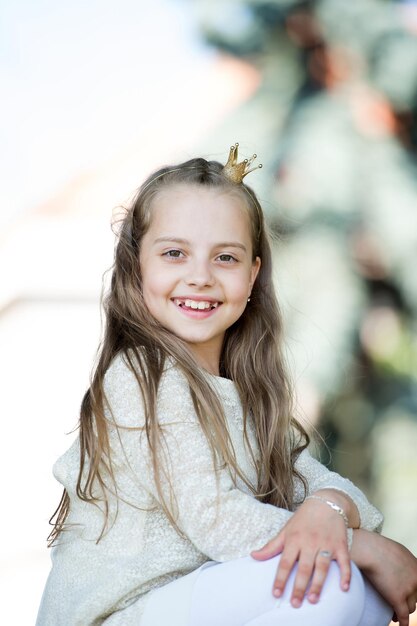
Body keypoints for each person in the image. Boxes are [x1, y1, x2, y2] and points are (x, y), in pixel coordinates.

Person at [36, 145, 417, 626]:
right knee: (330, 584)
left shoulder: (245, 394)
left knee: (367, 591)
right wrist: (354, 540)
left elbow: (346, 496)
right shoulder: (139, 377)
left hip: (203, 603)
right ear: (137, 265)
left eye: (226, 258)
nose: (199, 277)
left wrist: (329, 509)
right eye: (174, 253)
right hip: (121, 612)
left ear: (253, 274)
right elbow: (218, 521)